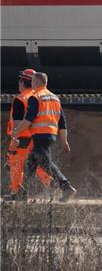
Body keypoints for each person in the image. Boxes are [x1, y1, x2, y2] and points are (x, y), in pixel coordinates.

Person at [10, 72, 75, 200]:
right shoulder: (55, 98)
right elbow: (62, 122)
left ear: (38, 82)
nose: (32, 84)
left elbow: (28, 120)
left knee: (46, 163)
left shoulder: (36, 97)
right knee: (31, 164)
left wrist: (16, 131)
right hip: (50, 135)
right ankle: (22, 193)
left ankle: (66, 187)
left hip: (40, 135)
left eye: (33, 81)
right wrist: (64, 141)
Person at [6, 69, 53, 200]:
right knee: (39, 165)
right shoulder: (37, 97)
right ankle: (52, 185)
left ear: (22, 81)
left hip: (21, 138)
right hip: (36, 137)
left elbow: (17, 123)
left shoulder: (20, 99)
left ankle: (18, 193)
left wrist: (14, 141)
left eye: (19, 80)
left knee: (16, 165)